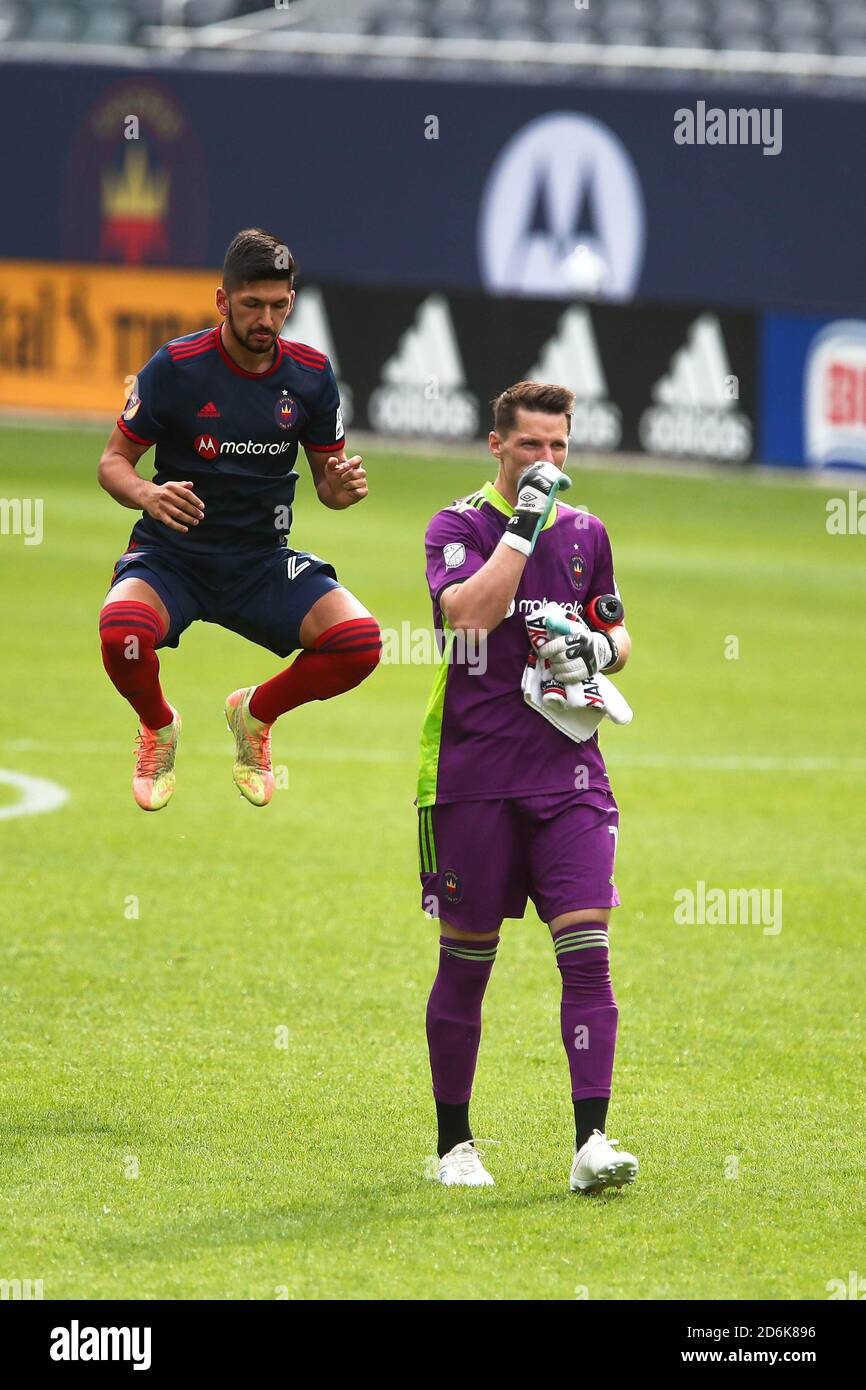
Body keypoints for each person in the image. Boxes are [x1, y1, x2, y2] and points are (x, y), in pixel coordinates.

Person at [417, 380, 638, 1192]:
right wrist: (524, 524)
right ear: (496, 446)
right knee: (468, 961)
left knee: (588, 953)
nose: (548, 460)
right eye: (532, 446)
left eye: (560, 447)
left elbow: (618, 632)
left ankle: (592, 1143)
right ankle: (455, 1145)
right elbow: (470, 618)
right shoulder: (458, 526)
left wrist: (595, 647)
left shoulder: (589, 533)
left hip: (570, 771)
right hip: (472, 775)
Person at [97, 228, 381, 811]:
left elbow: (328, 484)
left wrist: (341, 488)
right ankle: (159, 726)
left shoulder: (311, 376)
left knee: (360, 644)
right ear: (223, 301)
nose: (267, 319)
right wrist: (147, 495)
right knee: (120, 633)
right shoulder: (177, 366)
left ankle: (254, 715)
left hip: (259, 560)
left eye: (280, 305)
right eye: (253, 305)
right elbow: (113, 463)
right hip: (171, 554)